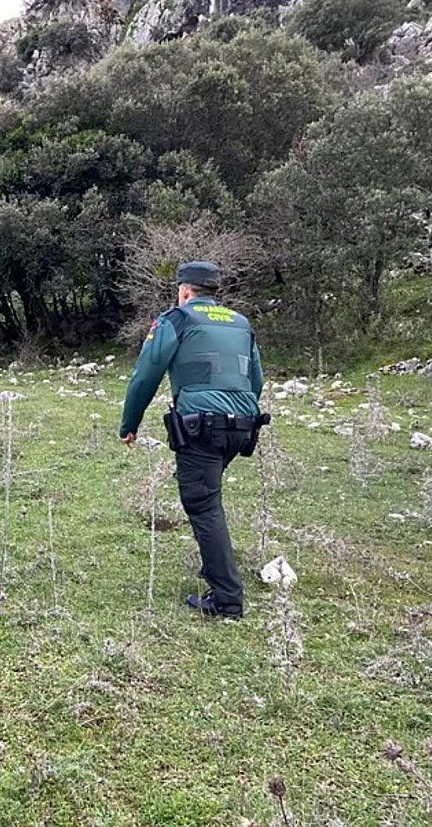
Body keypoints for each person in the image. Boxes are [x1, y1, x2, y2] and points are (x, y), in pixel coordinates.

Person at [118, 260, 266, 619]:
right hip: (243, 426)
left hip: (203, 427)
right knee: (209, 496)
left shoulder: (177, 319)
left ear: (184, 291)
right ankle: (217, 570)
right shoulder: (240, 323)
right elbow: (256, 381)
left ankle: (227, 598)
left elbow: (146, 374)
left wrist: (129, 423)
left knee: (202, 504)